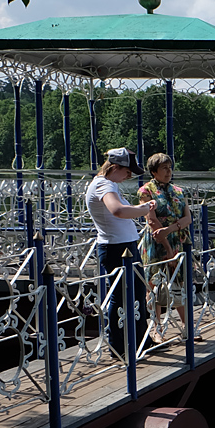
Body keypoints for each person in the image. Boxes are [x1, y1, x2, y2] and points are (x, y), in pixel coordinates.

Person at [85, 147, 155, 359]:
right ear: (115, 167)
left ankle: (141, 341)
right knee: (120, 297)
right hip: (116, 248)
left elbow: (120, 211)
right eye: (127, 171)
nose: (129, 176)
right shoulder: (103, 185)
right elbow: (117, 210)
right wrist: (144, 209)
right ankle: (119, 346)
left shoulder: (109, 184)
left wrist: (140, 208)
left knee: (135, 295)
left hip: (124, 246)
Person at [138, 153, 194, 343]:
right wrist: (166, 245)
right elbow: (151, 219)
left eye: (170, 167)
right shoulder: (146, 191)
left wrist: (171, 229)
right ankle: (156, 328)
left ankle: (188, 326)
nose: (168, 171)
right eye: (164, 168)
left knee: (178, 281)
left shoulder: (178, 191)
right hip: (157, 241)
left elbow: (188, 218)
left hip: (177, 238)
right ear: (154, 171)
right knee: (153, 283)